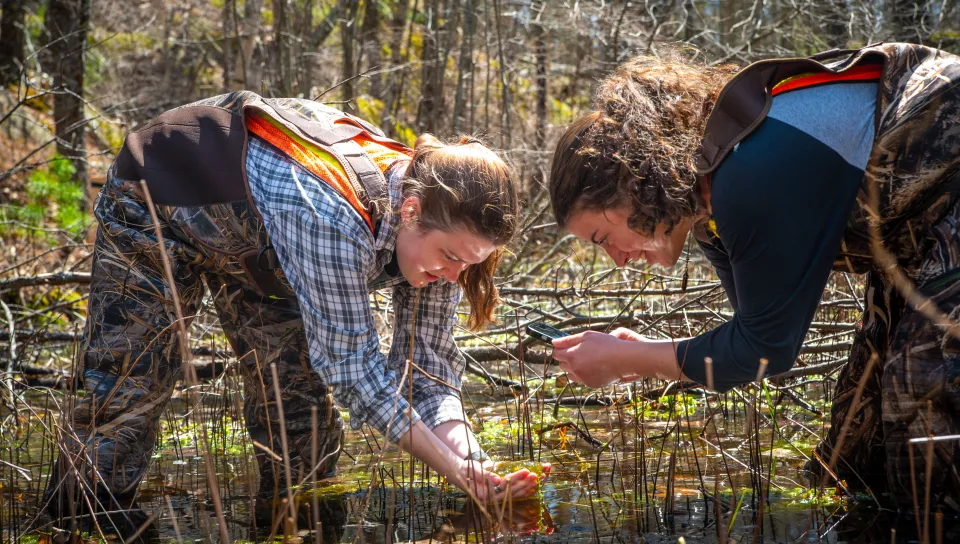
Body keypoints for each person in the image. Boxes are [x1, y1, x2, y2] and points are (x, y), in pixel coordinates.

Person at [44, 91, 547, 525]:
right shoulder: (331, 217)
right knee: (130, 389)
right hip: (159, 193)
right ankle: (77, 520)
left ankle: (292, 523)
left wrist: (476, 465)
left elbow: (429, 370)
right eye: (451, 258)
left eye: (471, 263)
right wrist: (454, 472)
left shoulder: (440, 230)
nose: (455, 276)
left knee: (299, 415)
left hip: (263, 245)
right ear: (410, 212)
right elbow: (353, 370)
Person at [547, 43, 960, 510]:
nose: (618, 260)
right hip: (916, 238)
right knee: (854, 448)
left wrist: (631, 360)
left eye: (603, 236)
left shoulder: (745, 173)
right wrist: (635, 353)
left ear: (633, 183)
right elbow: (754, 333)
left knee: (924, 388)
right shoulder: (706, 206)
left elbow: (766, 349)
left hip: (947, 203)